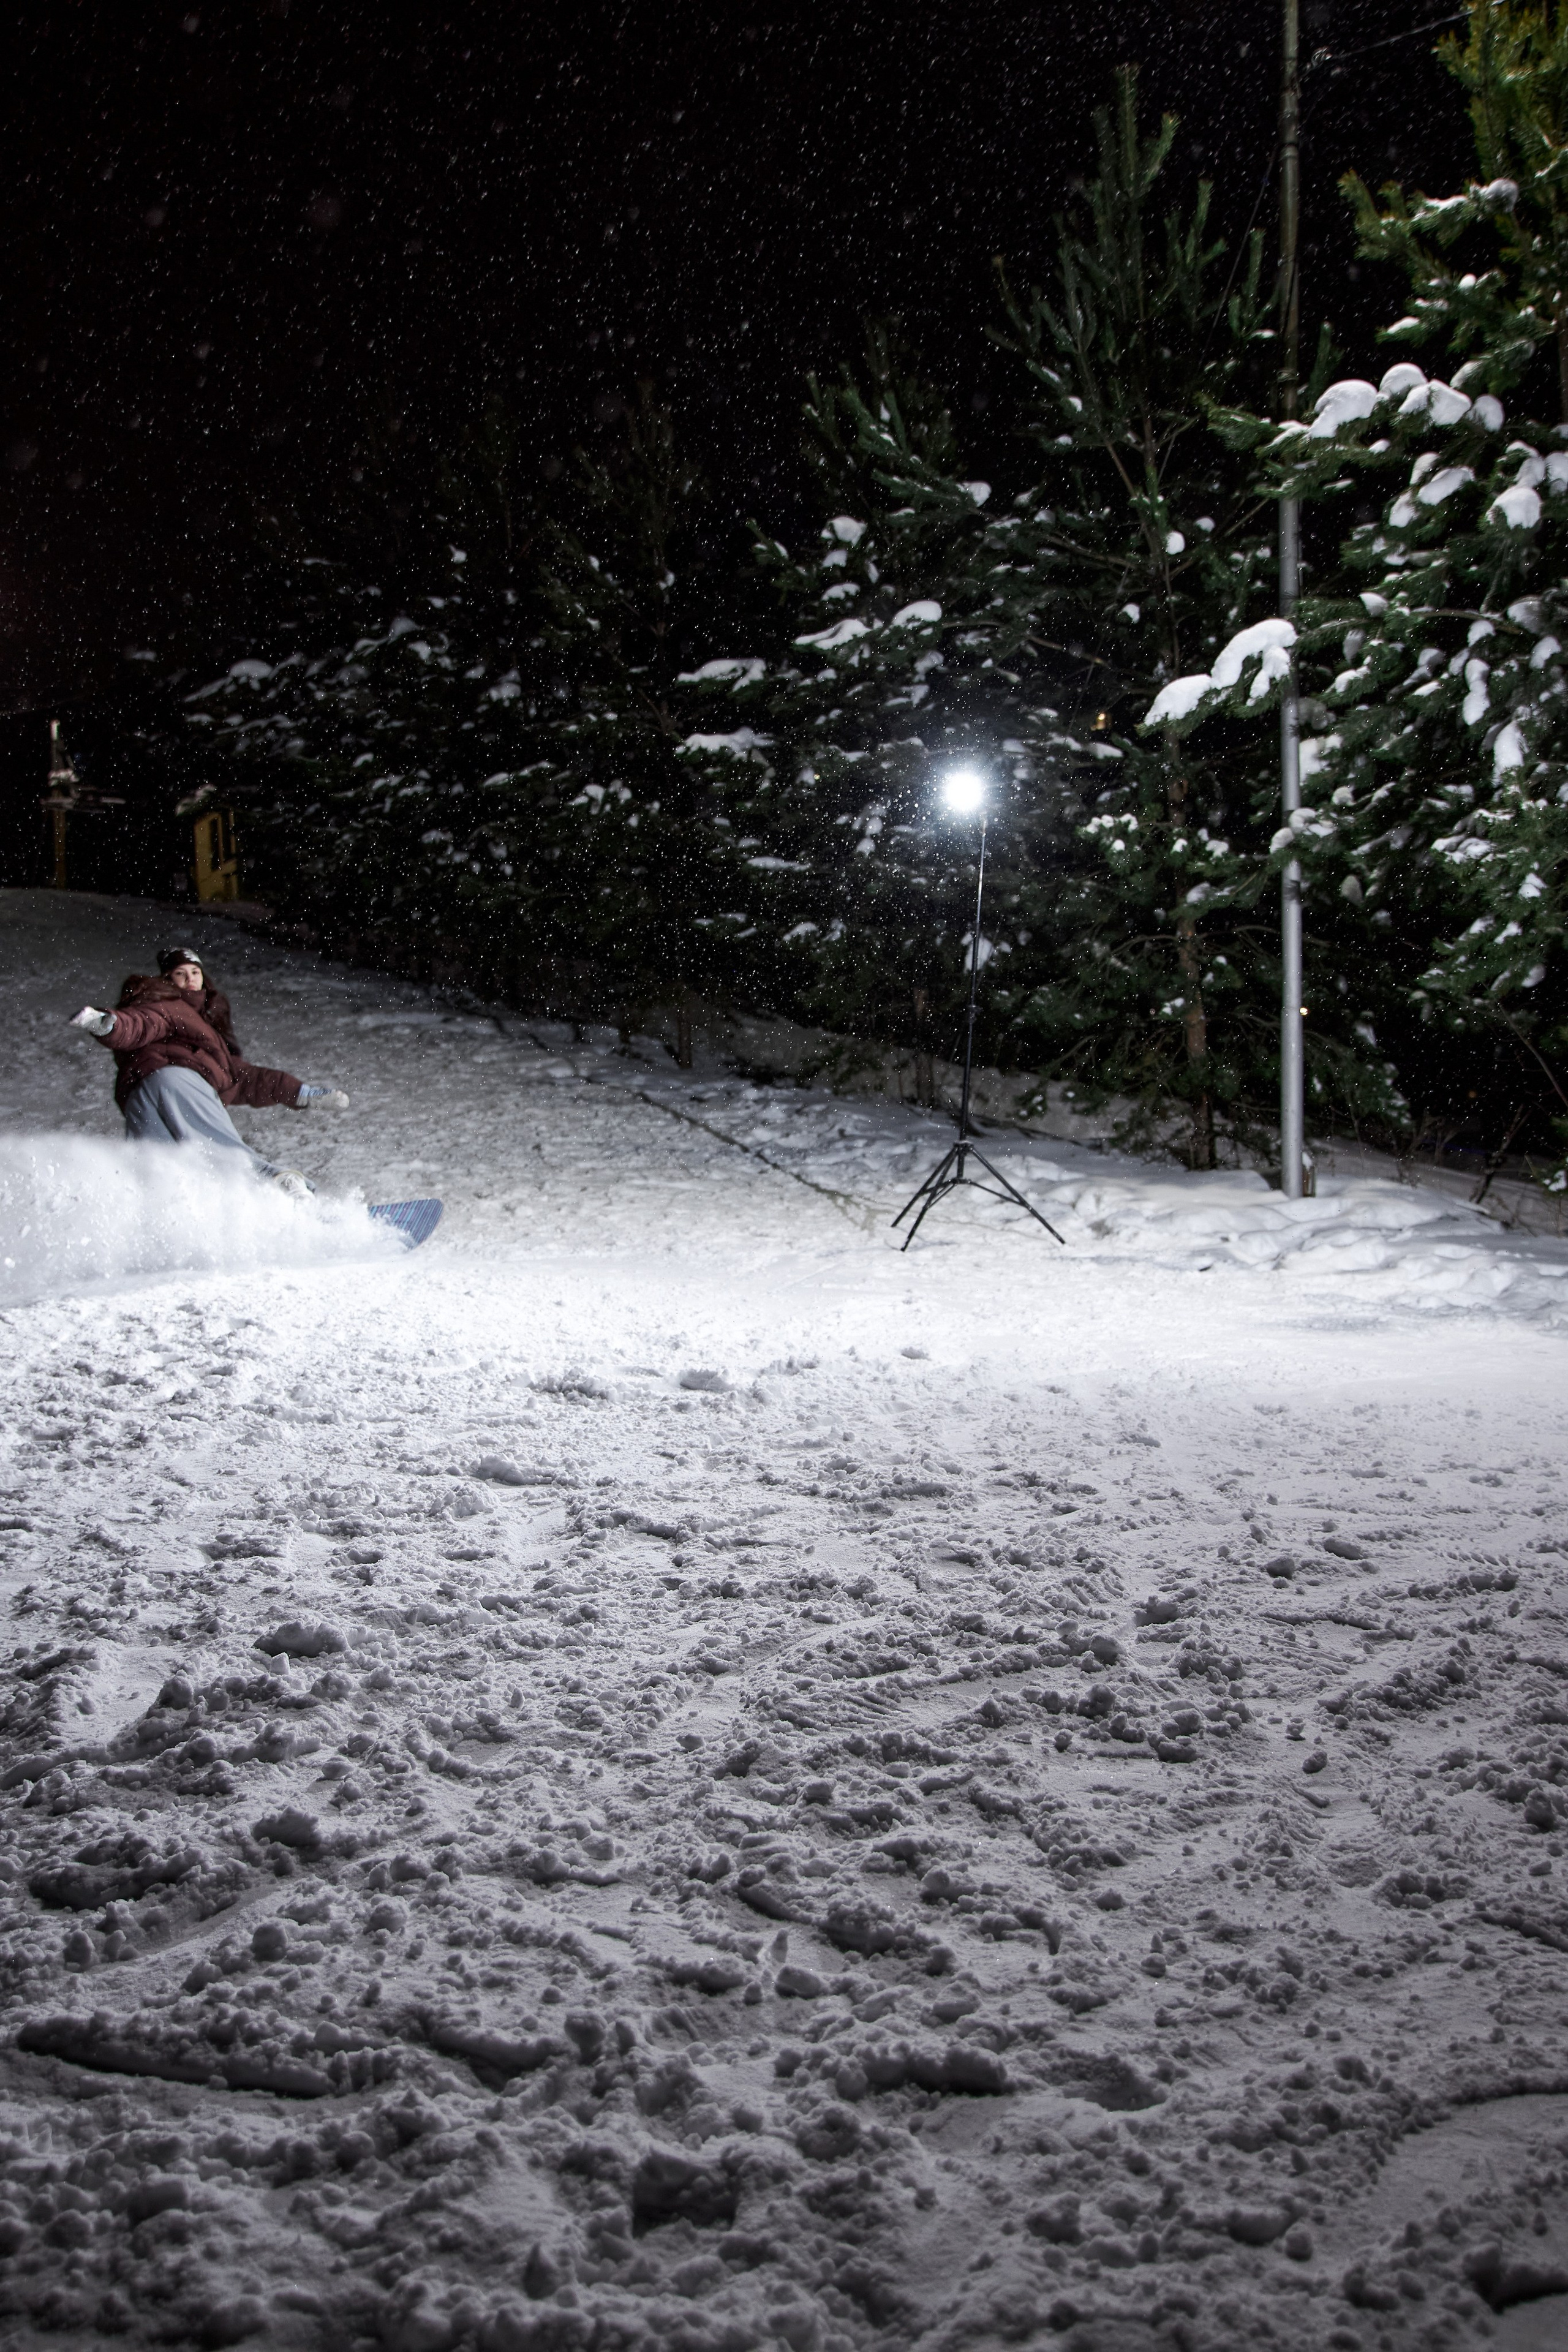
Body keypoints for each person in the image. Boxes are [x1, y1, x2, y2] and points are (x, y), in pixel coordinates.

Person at [70, 946, 349, 1193]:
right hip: (176, 1082)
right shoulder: (167, 1005)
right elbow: (141, 1024)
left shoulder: (207, 1026)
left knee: (159, 1176)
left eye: (195, 971)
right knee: (218, 1150)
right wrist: (109, 1024)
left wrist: (302, 1093)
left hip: (140, 1098)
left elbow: (243, 1078)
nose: (190, 979)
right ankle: (274, 1184)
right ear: (167, 980)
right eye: (181, 973)